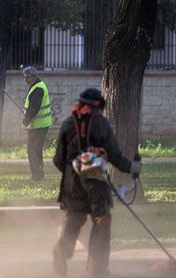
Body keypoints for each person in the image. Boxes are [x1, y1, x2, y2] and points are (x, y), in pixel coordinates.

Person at [52, 88, 142, 277]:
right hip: (96, 183)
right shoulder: (100, 124)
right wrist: (132, 168)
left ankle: (61, 253)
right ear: (98, 106)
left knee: (74, 220)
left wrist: (73, 171)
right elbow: (115, 156)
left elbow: (58, 160)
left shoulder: (68, 124)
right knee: (101, 221)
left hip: (71, 182)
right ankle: (97, 268)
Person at [21, 66, 53, 181]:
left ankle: (37, 176)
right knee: (36, 150)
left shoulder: (37, 89)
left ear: (34, 76)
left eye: (28, 77)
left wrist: (25, 122)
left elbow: (34, 108)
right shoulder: (37, 86)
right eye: (24, 77)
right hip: (38, 125)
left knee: (33, 150)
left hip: (39, 126)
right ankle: (38, 176)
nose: (26, 80)